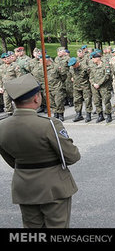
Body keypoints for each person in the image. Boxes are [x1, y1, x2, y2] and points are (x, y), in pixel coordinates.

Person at [0, 74, 81, 228]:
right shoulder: (49, 125)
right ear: (37, 98)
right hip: (53, 187)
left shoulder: (2, 126)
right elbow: (71, 156)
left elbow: (11, 160)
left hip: (24, 185)